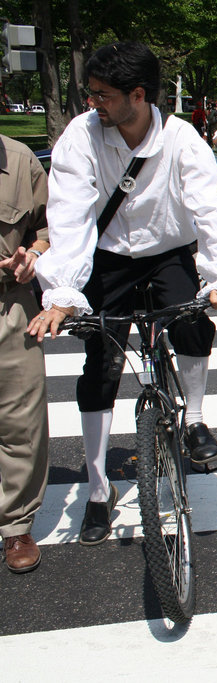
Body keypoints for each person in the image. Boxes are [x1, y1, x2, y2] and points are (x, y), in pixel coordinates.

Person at [28, 41, 217, 547]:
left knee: (194, 319)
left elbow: (211, 209)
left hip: (167, 250)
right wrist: (63, 291)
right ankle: (96, 489)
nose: (94, 104)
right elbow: (69, 216)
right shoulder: (81, 137)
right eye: (92, 94)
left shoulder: (181, 139)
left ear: (138, 95)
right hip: (108, 256)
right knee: (101, 363)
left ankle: (194, 417)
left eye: (103, 95)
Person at [0, 134, 50, 574]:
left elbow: (52, 227)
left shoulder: (19, 161)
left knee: (21, 423)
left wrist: (34, 253)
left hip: (10, 305)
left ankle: (15, 524)